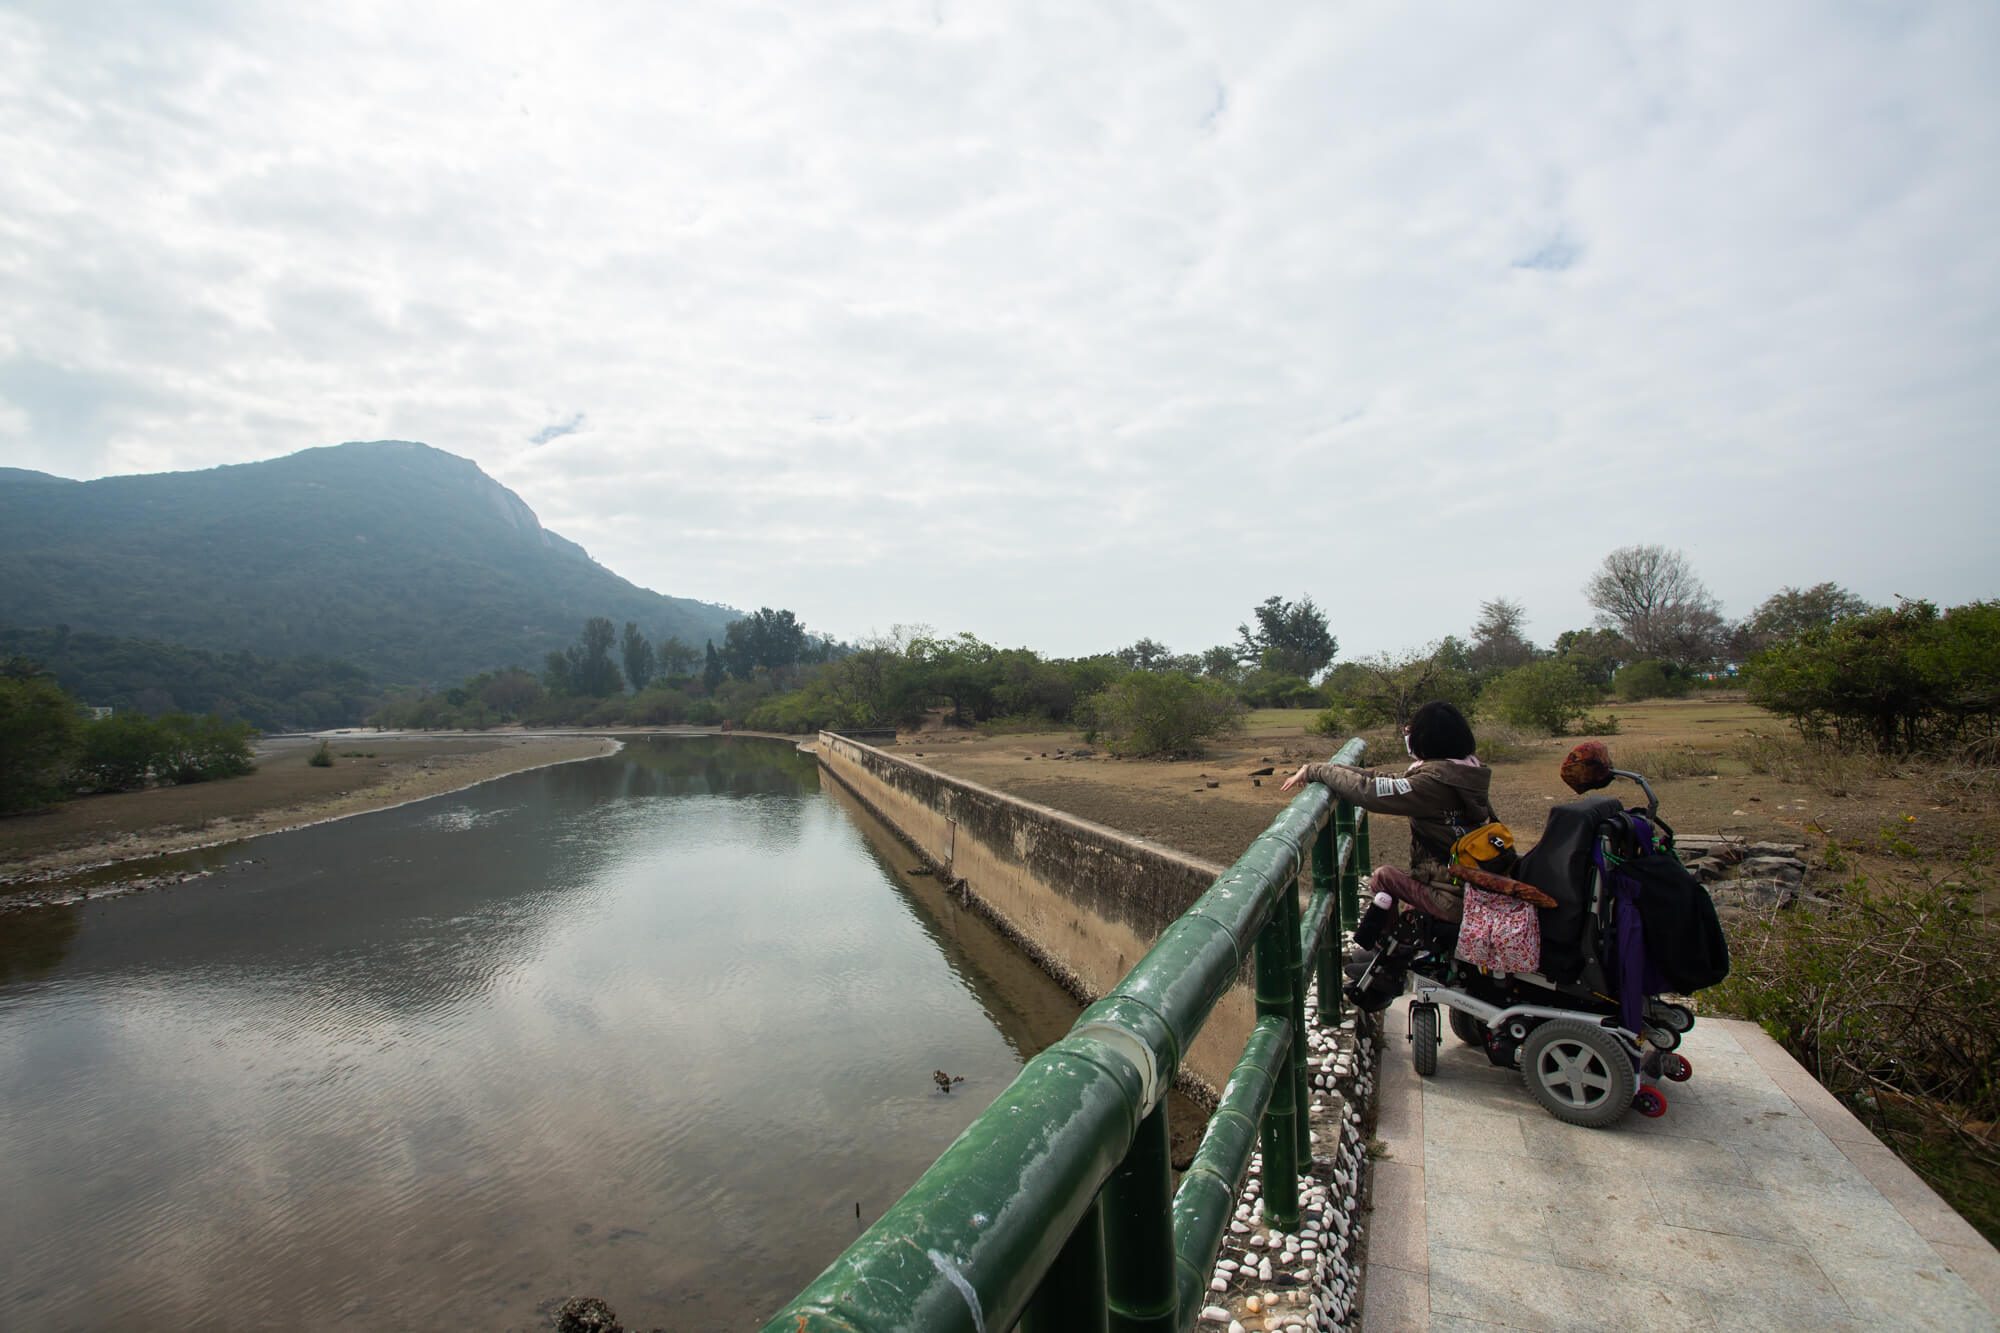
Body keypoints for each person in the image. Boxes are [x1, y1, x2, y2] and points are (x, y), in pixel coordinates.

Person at [1279, 700, 1497, 923]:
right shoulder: (1463, 773)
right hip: (1467, 887)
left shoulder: (1434, 785)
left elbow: (1369, 792)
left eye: (1413, 731)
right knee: (1408, 891)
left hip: (1452, 897)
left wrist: (1316, 770)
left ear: (1427, 739)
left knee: (1384, 878)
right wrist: (1327, 769)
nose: (1408, 735)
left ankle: (1391, 946)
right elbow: (1387, 781)